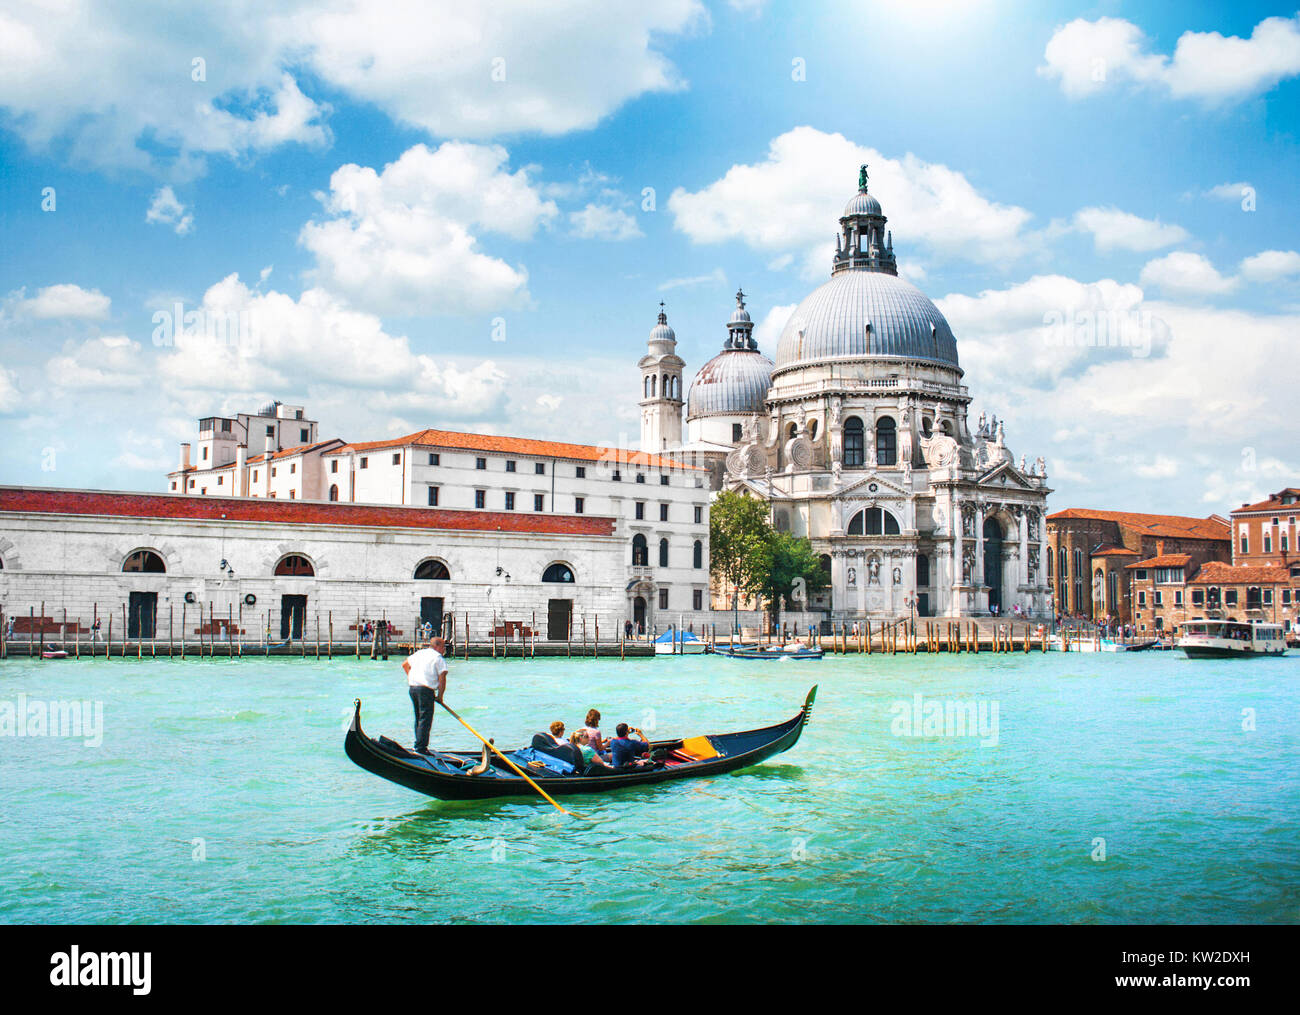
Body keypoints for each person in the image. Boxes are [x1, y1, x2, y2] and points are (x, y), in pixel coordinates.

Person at [402, 636, 449, 756]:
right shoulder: (438, 658)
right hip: (425, 690)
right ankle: (421, 748)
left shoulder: (419, 653)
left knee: (419, 717)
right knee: (425, 719)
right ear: (437, 646)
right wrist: (440, 696)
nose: (444, 649)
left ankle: (418, 745)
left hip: (413, 688)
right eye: (444, 647)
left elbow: (405, 665)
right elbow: (442, 678)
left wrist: (412, 678)